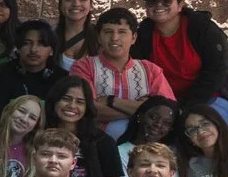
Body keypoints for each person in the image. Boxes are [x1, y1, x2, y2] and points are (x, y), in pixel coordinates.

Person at [131, 0, 228, 124]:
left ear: (180, 5)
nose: (159, 4)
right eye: (152, 1)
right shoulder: (143, 34)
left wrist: (183, 108)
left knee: (200, 126)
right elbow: (138, 71)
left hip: (213, 97)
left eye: (166, 0)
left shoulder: (203, 29)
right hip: (165, 102)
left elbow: (217, 72)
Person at [70, 7, 172, 140]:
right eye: (108, 32)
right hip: (94, 144)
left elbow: (166, 111)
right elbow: (85, 109)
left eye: (122, 32)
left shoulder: (151, 70)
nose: (115, 38)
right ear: (99, 37)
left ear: (134, 38)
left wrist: (112, 101)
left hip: (143, 147)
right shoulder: (84, 66)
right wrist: (142, 110)